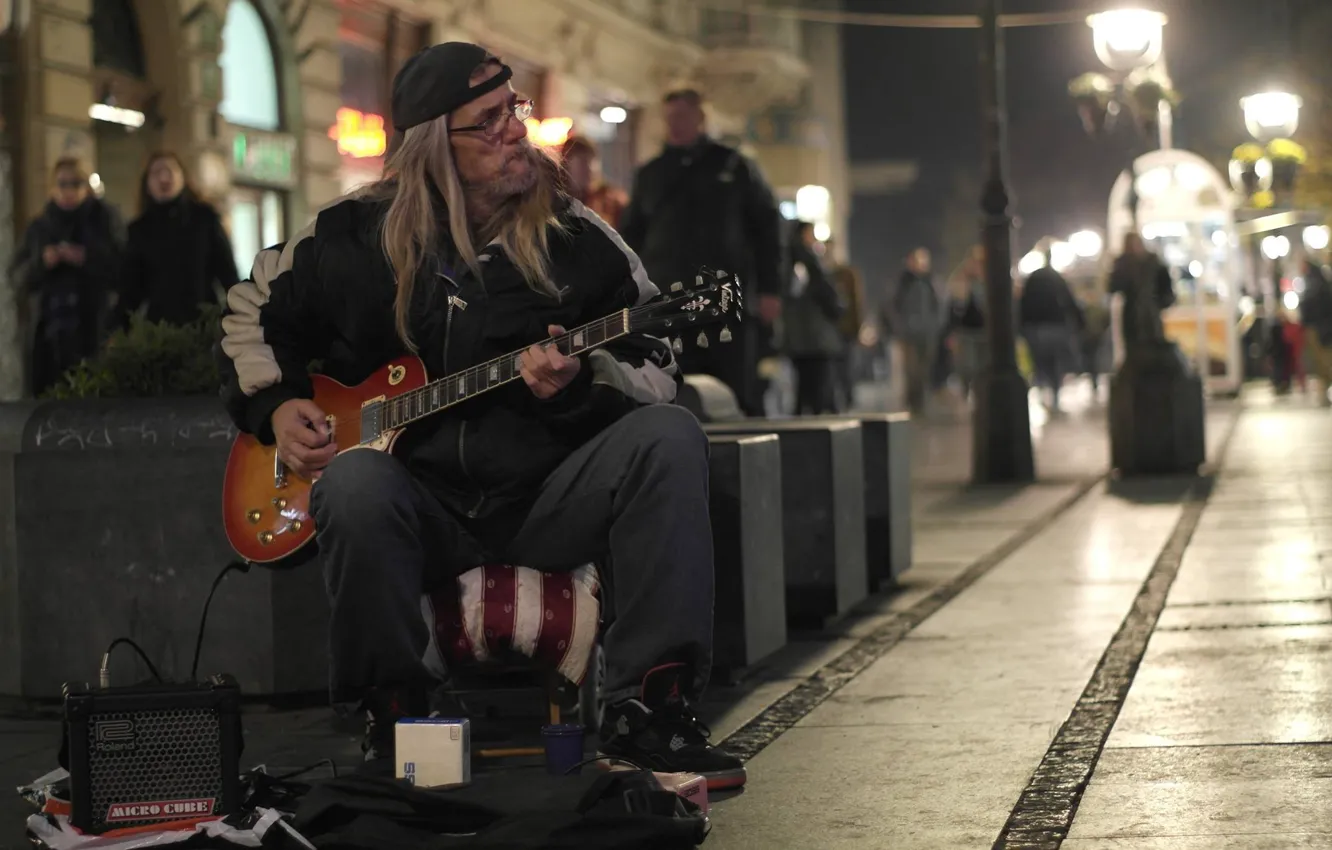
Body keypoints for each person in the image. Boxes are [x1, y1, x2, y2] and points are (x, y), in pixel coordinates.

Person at [215, 42, 744, 790]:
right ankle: (393, 711)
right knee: (355, 484)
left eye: (513, 112)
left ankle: (652, 712)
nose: (513, 133)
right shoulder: (350, 237)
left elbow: (657, 364)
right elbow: (251, 312)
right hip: (420, 507)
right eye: (487, 122)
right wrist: (279, 405)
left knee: (669, 436)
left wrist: (585, 379)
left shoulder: (578, 238)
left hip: (544, 501)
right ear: (434, 144)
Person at [619, 89, 784, 416]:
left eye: (683, 116)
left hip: (726, 301)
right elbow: (630, 239)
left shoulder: (734, 167)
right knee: (676, 389)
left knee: (736, 391)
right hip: (668, 303)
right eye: (670, 118)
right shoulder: (651, 175)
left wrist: (770, 289)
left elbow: (768, 230)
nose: (676, 124)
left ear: (700, 118)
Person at [11, 157, 125, 395]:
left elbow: (123, 271)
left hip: (94, 331)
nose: (69, 191)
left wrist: (85, 258)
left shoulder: (104, 221)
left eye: (76, 183)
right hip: (48, 339)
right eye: (63, 184)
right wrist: (42, 262)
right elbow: (17, 278)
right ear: (53, 187)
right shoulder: (40, 227)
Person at [116, 152, 239, 328]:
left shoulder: (204, 219)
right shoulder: (139, 230)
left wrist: (242, 312)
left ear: (183, 178)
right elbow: (130, 290)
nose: (164, 177)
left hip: (204, 323)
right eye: (156, 172)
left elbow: (227, 271)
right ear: (147, 183)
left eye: (170, 170)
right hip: (160, 330)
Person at [782, 220, 845, 414]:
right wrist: (837, 307)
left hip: (804, 337)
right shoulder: (806, 263)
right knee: (817, 390)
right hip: (812, 336)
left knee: (805, 390)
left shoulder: (792, 261)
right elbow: (825, 295)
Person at [1019, 245, 1084, 413]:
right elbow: (1070, 301)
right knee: (1055, 361)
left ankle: (1044, 389)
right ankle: (1053, 392)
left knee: (1041, 361)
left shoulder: (1034, 278)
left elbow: (1024, 303)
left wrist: (1022, 325)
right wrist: (1079, 321)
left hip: (1037, 326)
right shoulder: (1057, 279)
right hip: (1055, 325)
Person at [884, 247, 941, 414]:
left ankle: (921, 401)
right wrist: (900, 328)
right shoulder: (903, 283)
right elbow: (892, 308)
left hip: (927, 333)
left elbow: (938, 307)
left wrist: (934, 327)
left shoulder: (931, 283)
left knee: (924, 369)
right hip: (908, 334)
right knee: (911, 370)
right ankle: (912, 402)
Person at [823, 237, 865, 410]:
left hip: (844, 330)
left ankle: (846, 400)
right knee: (833, 369)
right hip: (830, 331)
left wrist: (856, 328)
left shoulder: (847, 274)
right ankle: (835, 402)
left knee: (845, 368)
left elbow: (856, 302)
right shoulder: (824, 273)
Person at [559, 135, 628, 230]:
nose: (590, 168)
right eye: (582, 162)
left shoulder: (611, 201)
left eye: (592, 161)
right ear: (566, 166)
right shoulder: (556, 203)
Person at [947, 245, 986, 402]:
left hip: (984, 331)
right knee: (967, 366)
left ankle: (981, 395)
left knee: (983, 365)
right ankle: (967, 394)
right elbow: (952, 309)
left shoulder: (988, 281)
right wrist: (951, 332)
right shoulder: (960, 280)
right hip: (965, 331)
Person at [1300, 258, 1332, 406]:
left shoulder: (1315, 285)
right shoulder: (1322, 283)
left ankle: (1324, 394)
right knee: (1323, 362)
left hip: (1319, 329)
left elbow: (1309, 308)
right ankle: (1324, 394)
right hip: (1322, 328)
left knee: (1323, 363)